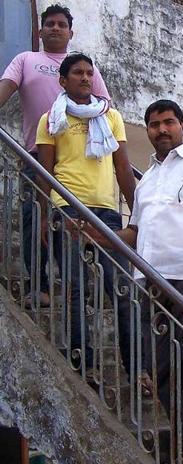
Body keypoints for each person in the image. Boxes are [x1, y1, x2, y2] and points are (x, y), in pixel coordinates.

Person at [86, 99, 183, 464]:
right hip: (148, 281)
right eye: (154, 125)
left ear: (182, 126)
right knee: (162, 368)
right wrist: (97, 234)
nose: (161, 130)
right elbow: (134, 232)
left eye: (168, 122)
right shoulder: (147, 178)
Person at [0, 4, 110, 307]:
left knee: (74, 225)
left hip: (78, 159)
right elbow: (6, 88)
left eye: (62, 24)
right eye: (50, 24)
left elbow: (103, 106)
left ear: (70, 32)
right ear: (40, 30)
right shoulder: (26, 59)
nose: (55, 28)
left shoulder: (83, 67)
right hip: (37, 154)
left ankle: (81, 288)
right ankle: (41, 285)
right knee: (33, 219)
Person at [35, 53, 135, 380]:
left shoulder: (111, 117)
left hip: (108, 213)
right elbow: (44, 171)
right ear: (62, 80)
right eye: (77, 72)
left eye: (89, 73)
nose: (85, 77)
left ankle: (136, 369)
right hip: (67, 209)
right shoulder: (51, 118)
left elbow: (122, 167)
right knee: (76, 289)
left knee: (120, 289)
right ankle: (84, 362)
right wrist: (41, 215)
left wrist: (139, 213)